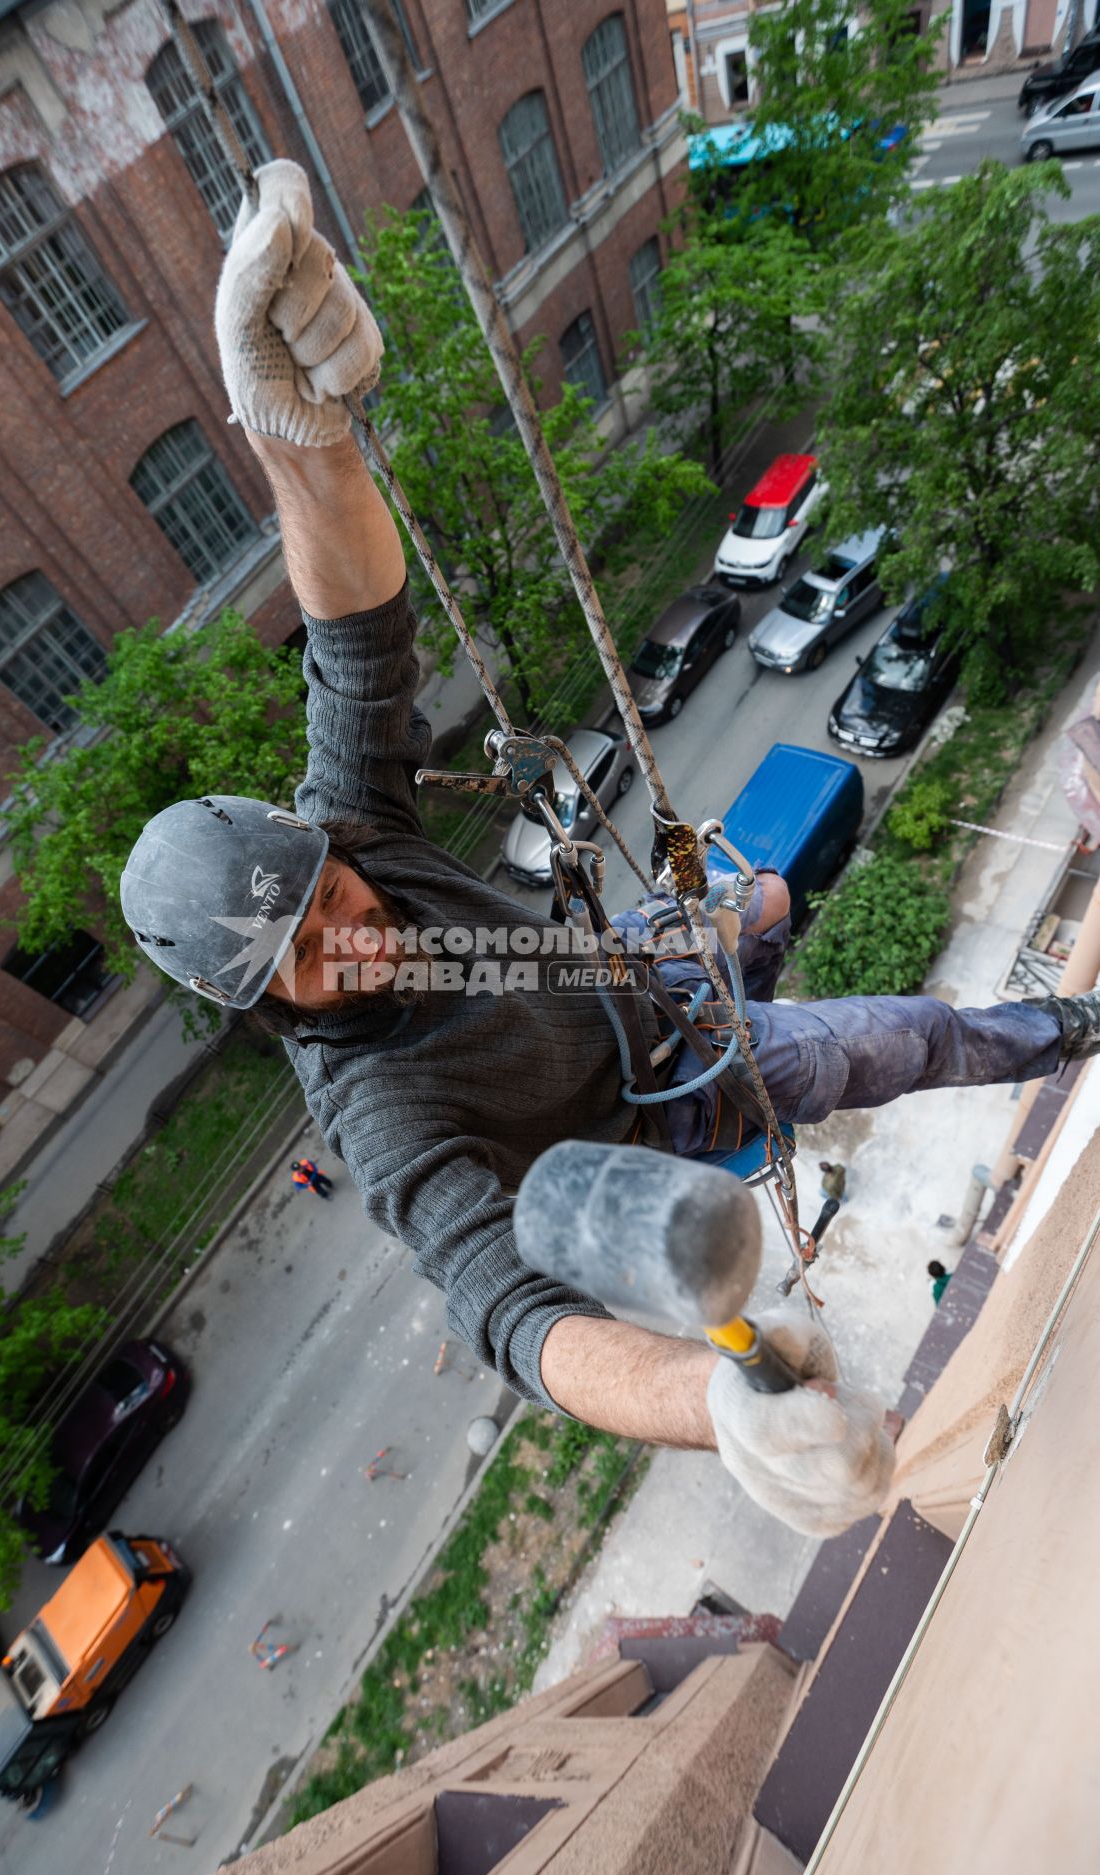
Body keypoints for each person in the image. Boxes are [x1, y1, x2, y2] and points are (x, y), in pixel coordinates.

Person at [119, 164, 1100, 1538]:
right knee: (892, 1038)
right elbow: (516, 1316)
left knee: (757, 892)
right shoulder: (381, 1114)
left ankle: (758, 943)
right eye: (308, 958)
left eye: (333, 895)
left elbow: (353, 642)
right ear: (264, 1005)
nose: (356, 931)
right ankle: (1063, 1028)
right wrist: (715, 1404)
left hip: (626, 968)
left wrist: (303, 448)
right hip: (674, 1098)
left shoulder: (347, 833)